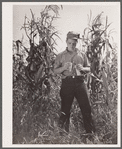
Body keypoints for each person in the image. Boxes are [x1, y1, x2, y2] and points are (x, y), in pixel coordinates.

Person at [54, 31, 95, 134]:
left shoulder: (82, 54)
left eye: (74, 43)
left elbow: (89, 68)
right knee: (65, 110)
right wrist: (63, 67)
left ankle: (90, 134)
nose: (72, 45)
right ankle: (63, 135)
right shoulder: (61, 55)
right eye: (70, 43)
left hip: (80, 83)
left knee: (86, 108)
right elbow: (54, 71)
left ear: (77, 43)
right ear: (66, 41)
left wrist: (83, 69)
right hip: (67, 83)